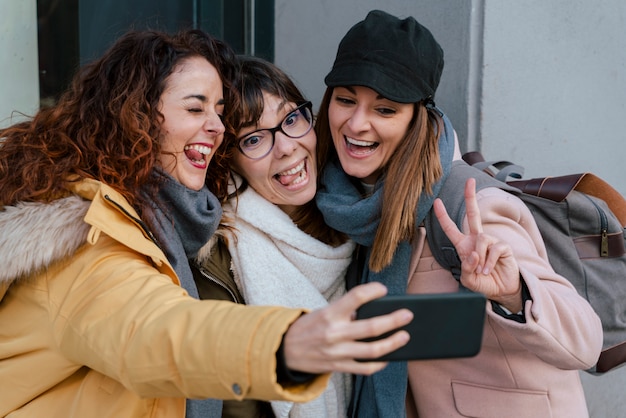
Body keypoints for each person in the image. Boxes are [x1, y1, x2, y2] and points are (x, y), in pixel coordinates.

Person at [0, 28, 414, 418]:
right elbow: (155, 333)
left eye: (219, 111)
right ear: (135, 117)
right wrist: (282, 345)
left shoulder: (164, 218)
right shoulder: (87, 239)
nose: (217, 127)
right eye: (196, 108)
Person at [314, 10, 603, 418]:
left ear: (417, 118)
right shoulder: (343, 201)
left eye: (385, 109)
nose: (357, 123)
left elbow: (585, 340)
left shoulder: (471, 207)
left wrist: (512, 290)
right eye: (345, 100)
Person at [193, 56, 355, 418]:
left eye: (291, 119)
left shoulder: (353, 220)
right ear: (229, 161)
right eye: (253, 139)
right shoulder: (221, 254)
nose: (285, 147)